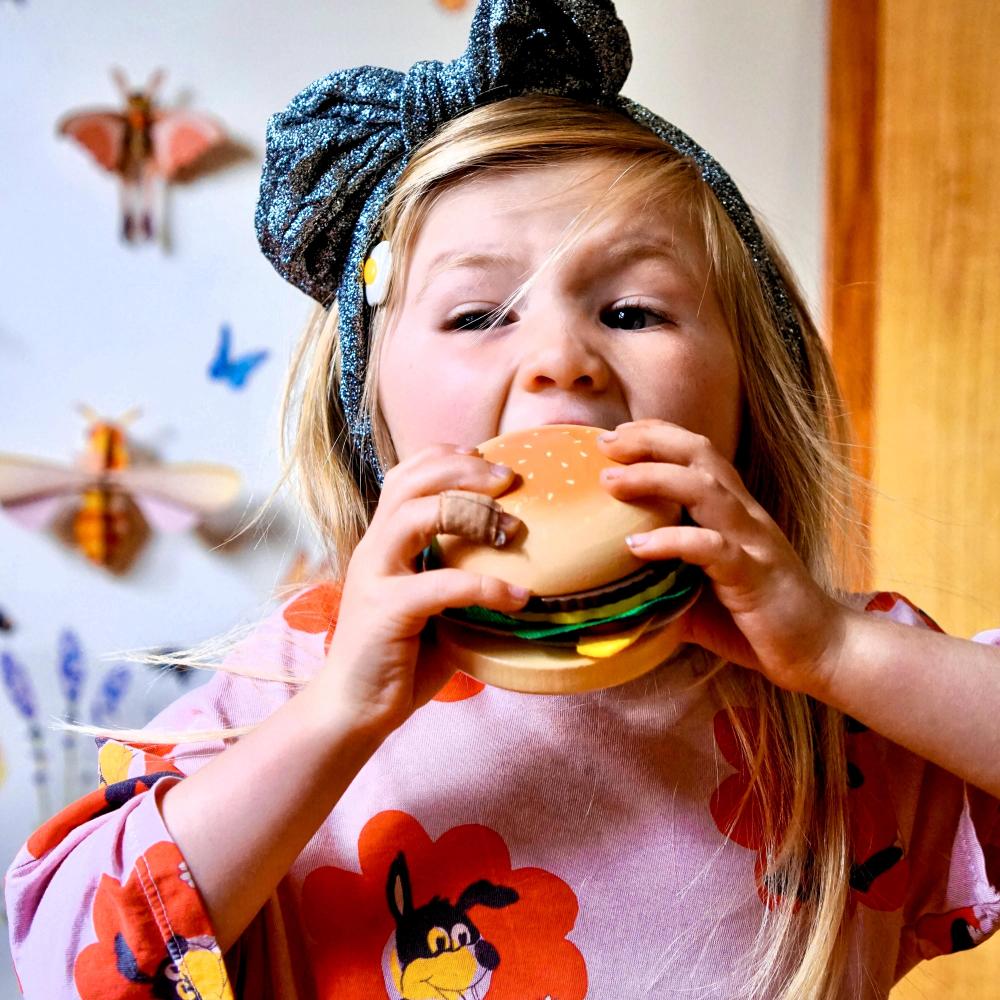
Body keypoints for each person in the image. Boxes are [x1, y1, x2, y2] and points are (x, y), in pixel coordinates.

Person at [7, 2, 1000, 998]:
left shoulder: (853, 701)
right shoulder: (289, 691)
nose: (561, 360)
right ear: (372, 410)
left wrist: (837, 651)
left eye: (632, 310)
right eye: (478, 314)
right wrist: (334, 720)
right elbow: (64, 966)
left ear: (750, 388)